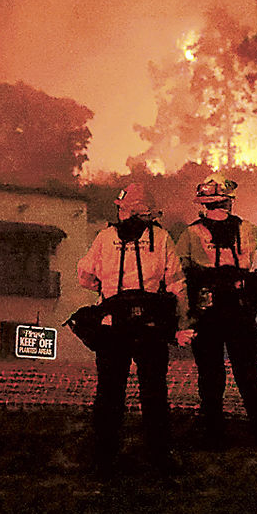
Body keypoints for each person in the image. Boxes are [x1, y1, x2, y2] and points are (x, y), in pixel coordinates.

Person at [75, 183, 191, 476]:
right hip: (151, 329)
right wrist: (182, 324)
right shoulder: (161, 237)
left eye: (121, 207)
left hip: (112, 328)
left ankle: (104, 457)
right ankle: (159, 456)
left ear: (128, 210)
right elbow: (177, 285)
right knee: (154, 394)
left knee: (109, 394)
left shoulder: (104, 238)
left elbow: (84, 275)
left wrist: (105, 289)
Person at [176, 172, 257, 447]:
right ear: (229, 202)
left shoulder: (191, 234)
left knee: (211, 376)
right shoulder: (247, 229)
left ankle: (213, 433)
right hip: (241, 313)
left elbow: (176, 271)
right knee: (248, 374)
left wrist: (182, 318)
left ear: (204, 203)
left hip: (207, 314)